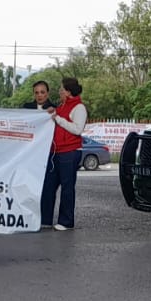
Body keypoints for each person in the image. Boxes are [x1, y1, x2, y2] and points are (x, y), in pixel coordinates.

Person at [41, 77, 87, 231]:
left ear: (68, 92)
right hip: (56, 151)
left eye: (62, 89)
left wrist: (58, 119)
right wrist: (52, 113)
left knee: (67, 187)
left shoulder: (79, 108)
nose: (59, 92)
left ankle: (66, 221)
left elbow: (77, 129)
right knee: (48, 186)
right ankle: (45, 218)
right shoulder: (61, 106)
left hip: (70, 152)